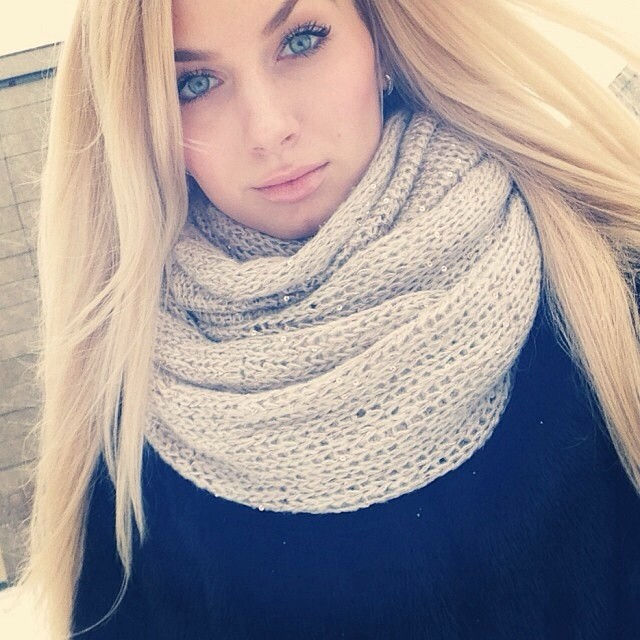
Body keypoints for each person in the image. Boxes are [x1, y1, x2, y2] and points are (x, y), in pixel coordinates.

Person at [12, 0, 640, 638]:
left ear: (380, 39)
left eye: (301, 41)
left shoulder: (601, 284)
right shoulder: (130, 401)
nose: (269, 128)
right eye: (193, 84)